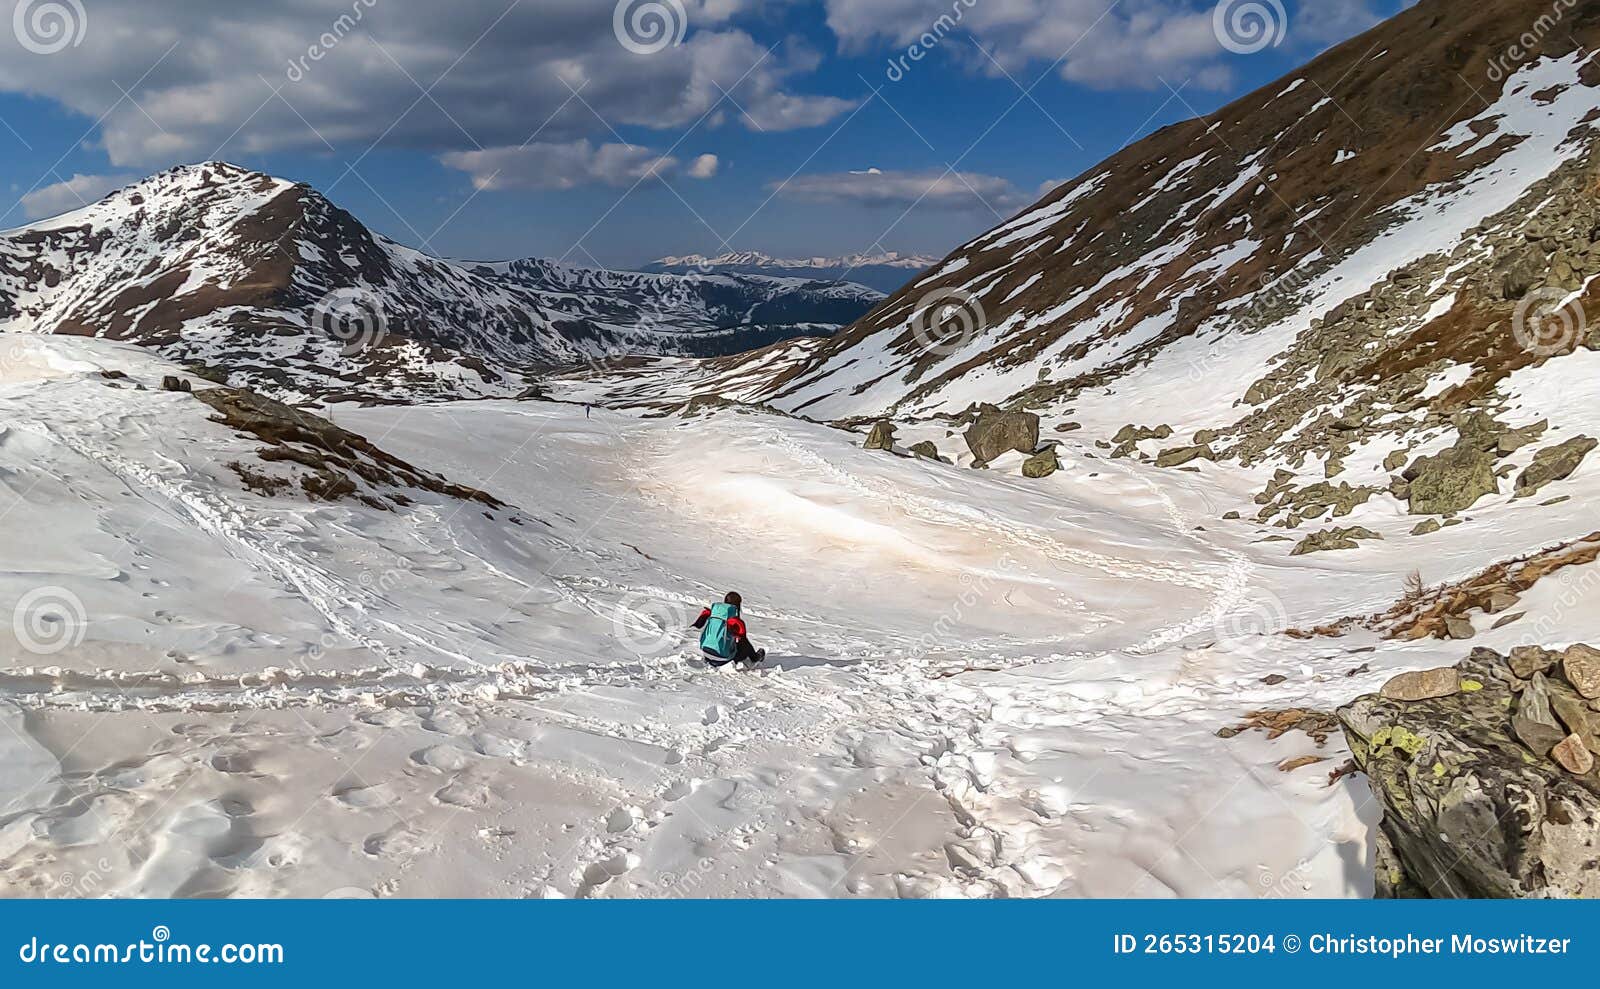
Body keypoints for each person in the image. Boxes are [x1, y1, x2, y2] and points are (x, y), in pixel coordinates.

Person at [692, 591, 766, 667]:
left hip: (707, 654)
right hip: (722, 660)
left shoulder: (713, 614)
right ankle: (755, 658)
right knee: (745, 644)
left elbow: (698, 625)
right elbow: (743, 640)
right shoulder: (734, 621)